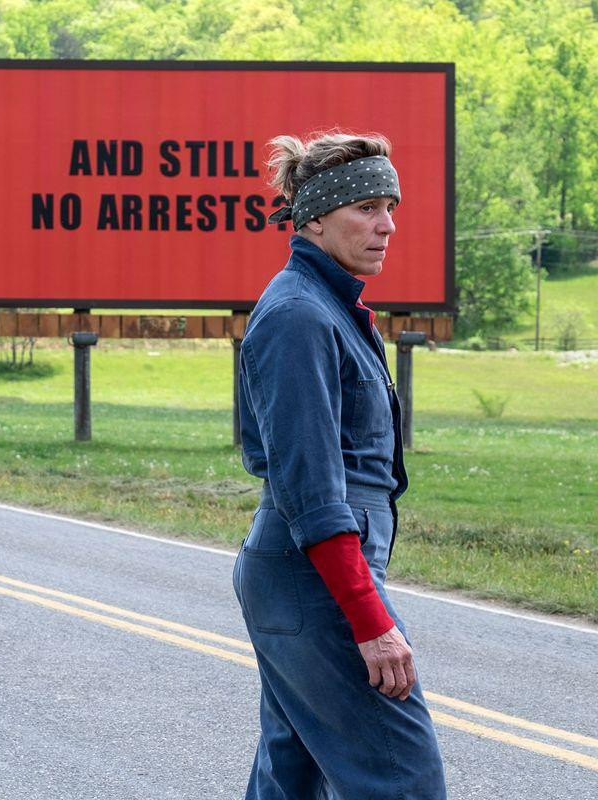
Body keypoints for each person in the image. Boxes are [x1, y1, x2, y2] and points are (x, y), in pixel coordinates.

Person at [232, 131, 448, 799]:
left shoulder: (327, 305)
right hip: (314, 578)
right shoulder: (299, 316)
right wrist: (370, 620)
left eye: (391, 207)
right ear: (315, 218)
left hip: (303, 576)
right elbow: (313, 492)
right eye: (366, 208)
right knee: (402, 778)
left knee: (291, 777)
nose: (386, 226)